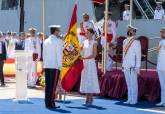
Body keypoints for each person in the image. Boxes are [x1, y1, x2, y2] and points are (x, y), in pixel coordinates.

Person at [43, 25, 63, 109]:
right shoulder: (58, 41)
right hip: (55, 66)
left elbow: (44, 55)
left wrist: (44, 64)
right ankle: (51, 103)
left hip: (47, 65)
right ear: (55, 31)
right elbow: (59, 54)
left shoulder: (45, 41)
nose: (59, 32)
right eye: (58, 31)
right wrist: (60, 66)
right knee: (53, 86)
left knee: (48, 85)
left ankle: (47, 102)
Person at [80, 28, 100, 106]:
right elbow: (81, 52)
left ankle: (90, 98)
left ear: (91, 34)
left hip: (90, 63)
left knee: (90, 79)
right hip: (85, 63)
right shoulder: (84, 42)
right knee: (85, 79)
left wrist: (85, 58)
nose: (86, 34)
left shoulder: (94, 42)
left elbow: (94, 55)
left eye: (88, 33)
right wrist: (80, 50)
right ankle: (86, 98)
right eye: (86, 33)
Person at [122, 25, 141, 105]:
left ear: (134, 32)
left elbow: (138, 55)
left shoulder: (136, 42)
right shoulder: (125, 41)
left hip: (132, 65)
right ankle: (129, 98)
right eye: (129, 30)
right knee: (128, 83)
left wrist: (137, 67)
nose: (129, 31)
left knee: (133, 83)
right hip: (126, 64)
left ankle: (134, 99)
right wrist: (123, 64)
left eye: (131, 30)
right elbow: (124, 54)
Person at [156, 27, 165, 106]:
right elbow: (159, 55)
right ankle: (163, 101)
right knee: (162, 85)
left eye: (163, 32)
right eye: (161, 32)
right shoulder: (160, 42)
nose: (161, 34)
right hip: (160, 67)